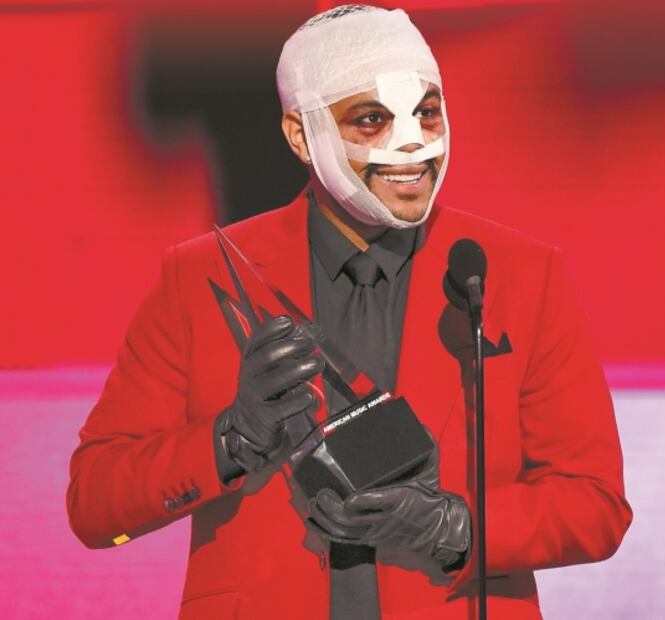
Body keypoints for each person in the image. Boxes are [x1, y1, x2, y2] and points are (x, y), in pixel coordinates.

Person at [67, 5, 632, 619]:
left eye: (427, 112)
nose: (411, 143)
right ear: (301, 136)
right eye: (371, 119)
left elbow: (597, 507)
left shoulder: (522, 274)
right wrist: (232, 437)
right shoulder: (201, 277)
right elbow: (95, 508)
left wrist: (454, 525)